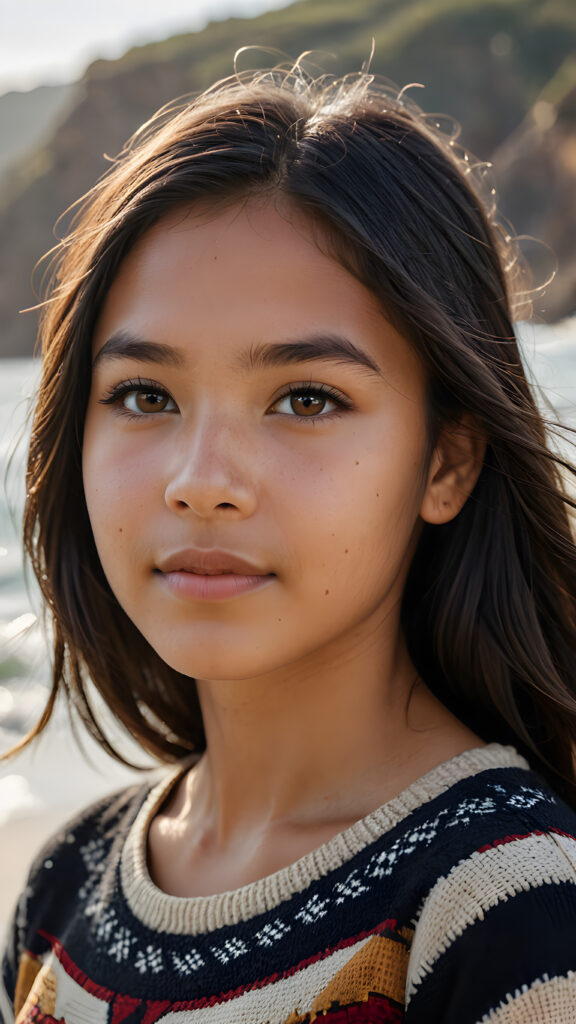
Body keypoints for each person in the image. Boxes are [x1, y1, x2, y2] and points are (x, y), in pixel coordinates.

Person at [1, 59, 576, 1024]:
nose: (201, 481)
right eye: (146, 396)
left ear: (447, 462)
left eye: (307, 399)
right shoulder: (67, 886)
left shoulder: (511, 907)